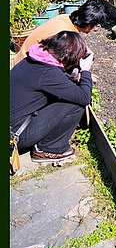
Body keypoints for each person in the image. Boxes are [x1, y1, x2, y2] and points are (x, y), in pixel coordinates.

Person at [10, 31, 95, 163]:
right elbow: (84, 97)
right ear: (70, 57)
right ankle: (48, 149)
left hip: (12, 124)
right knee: (75, 104)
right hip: (15, 137)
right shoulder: (48, 74)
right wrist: (85, 71)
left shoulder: (35, 59)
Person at [13, 0, 106, 66]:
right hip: (27, 65)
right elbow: (59, 62)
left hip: (25, 60)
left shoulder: (65, 18)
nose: (94, 29)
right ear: (89, 25)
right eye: (95, 26)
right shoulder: (64, 33)